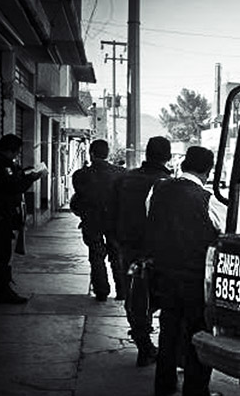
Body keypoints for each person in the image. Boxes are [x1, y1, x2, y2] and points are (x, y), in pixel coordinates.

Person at [146, 145, 223, 396]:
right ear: (208, 170)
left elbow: (151, 221)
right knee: (197, 333)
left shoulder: (158, 188)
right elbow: (219, 234)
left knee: (168, 328)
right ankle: (195, 392)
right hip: (195, 278)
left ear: (183, 164)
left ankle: (164, 384)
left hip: (163, 273)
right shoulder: (207, 199)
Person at [110, 136, 173, 367]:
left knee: (136, 295)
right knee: (163, 297)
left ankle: (143, 342)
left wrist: (117, 241)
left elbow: (111, 211)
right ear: (167, 157)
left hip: (129, 249)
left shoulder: (125, 179)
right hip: (159, 252)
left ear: (146, 153)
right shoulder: (167, 183)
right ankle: (157, 349)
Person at [0, 133, 47, 304]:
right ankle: (3, 291)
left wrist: (21, 172)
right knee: (1, 253)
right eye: (16, 152)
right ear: (10, 150)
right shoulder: (0, 163)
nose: (16, 156)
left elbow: (9, 178)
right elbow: (12, 187)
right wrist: (31, 178)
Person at [71, 139, 125, 302]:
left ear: (91, 154)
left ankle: (101, 291)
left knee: (96, 255)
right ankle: (122, 291)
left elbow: (78, 199)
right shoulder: (121, 173)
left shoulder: (80, 175)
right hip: (114, 221)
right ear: (107, 154)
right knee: (117, 255)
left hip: (91, 221)